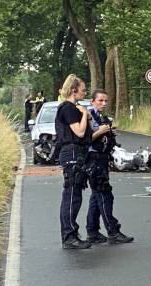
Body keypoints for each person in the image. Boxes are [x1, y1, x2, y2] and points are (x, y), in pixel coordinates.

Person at [85, 89, 133, 245]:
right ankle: (113, 231)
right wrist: (102, 131)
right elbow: (86, 138)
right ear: (92, 101)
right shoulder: (88, 116)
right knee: (104, 195)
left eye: (106, 101)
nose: (104, 103)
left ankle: (92, 231)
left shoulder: (101, 117)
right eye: (100, 100)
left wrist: (110, 134)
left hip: (102, 158)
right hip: (93, 159)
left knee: (96, 196)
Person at [55, 75, 93, 249]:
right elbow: (79, 132)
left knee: (76, 194)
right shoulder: (68, 108)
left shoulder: (72, 108)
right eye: (83, 90)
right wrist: (84, 114)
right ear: (73, 90)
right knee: (71, 195)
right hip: (71, 151)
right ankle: (69, 235)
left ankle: (71, 233)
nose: (85, 92)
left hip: (77, 152)